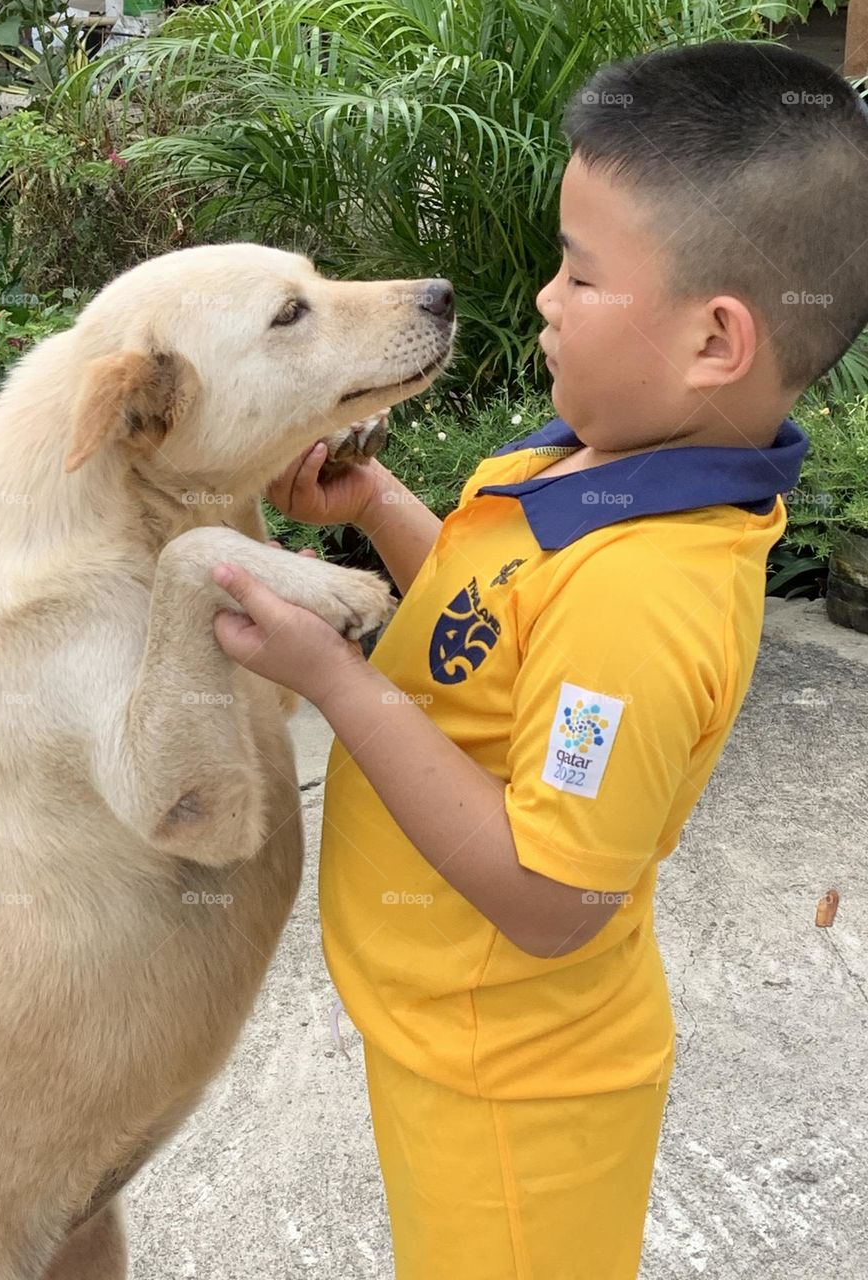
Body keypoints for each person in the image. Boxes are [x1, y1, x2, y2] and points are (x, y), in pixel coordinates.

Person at [211, 39, 867, 1280]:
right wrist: (381, 506)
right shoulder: (581, 461)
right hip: (442, 1032)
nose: (545, 301)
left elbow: (552, 894)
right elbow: (485, 620)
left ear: (717, 341)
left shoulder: (646, 596)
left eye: (578, 273)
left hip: (517, 1089)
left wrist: (335, 679)